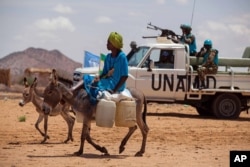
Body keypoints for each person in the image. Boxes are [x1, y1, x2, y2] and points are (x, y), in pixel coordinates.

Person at [71, 32, 128, 99]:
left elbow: (124, 76)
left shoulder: (122, 57)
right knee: (88, 78)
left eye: (108, 42)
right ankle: (73, 90)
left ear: (114, 44)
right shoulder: (108, 57)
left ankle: (72, 92)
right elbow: (104, 73)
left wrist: (114, 90)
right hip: (107, 81)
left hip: (116, 85)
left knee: (95, 85)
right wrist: (98, 78)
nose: (107, 44)